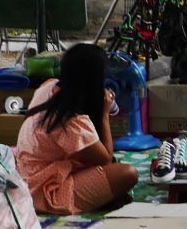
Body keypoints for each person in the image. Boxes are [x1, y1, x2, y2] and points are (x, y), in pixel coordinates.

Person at [14, 43, 139, 215]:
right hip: (45, 191)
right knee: (128, 173)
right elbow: (106, 159)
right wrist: (104, 115)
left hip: (28, 177)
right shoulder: (71, 122)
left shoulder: (48, 87)